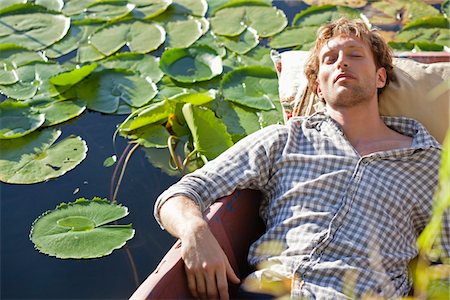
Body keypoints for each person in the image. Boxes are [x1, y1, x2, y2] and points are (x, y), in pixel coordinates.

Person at [154, 18, 447, 299]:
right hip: (273, 291)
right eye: (330, 59)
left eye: (355, 55)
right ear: (318, 87)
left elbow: (444, 261)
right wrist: (196, 231)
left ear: (380, 76)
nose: (342, 62)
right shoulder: (285, 139)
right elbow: (181, 193)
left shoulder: (428, 162)